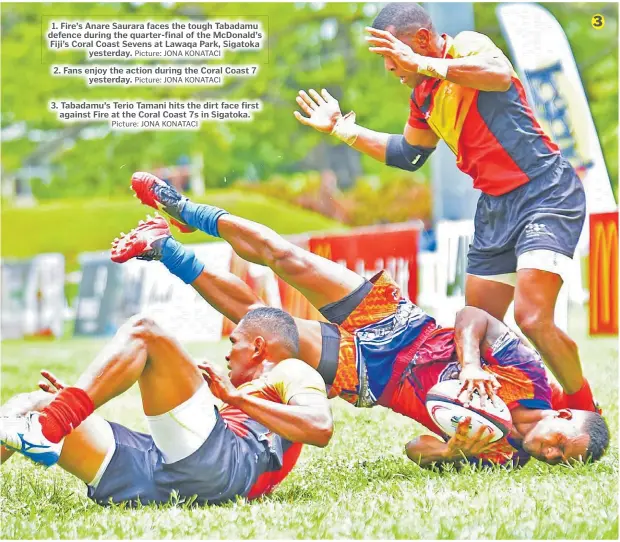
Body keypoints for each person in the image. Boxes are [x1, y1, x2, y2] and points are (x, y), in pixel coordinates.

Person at [113, 172, 608, 467]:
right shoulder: (530, 380)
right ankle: (182, 208)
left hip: (374, 375)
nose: (551, 453)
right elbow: (472, 315)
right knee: (286, 257)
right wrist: (474, 363)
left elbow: (415, 449)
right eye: (564, 444)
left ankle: (162, 246)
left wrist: (455, 453)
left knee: (263, 324)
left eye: (562, 459)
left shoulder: (501, 454)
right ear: (564, 416)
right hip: (400, 324)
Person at [292, 2, 597, 413]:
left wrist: (423, 63)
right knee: (476, 330)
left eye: (393, 55)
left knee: (531, 318)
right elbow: (408, 153)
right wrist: (341, 129)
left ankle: (585, 411)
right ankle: (546, 400)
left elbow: (499, 75)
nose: (391, 68)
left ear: (420, 40)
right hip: (495, 208)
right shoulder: (423, 95)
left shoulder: (467, 47)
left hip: (545, 193)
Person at [0, 306, 333, 506]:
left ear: (259, 348)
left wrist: (235, 398)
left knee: (144, 331)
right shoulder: (250, 393)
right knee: (31, 406)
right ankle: (53, 419)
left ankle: (52, 425)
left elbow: (320, 428)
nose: (228, 354)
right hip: (172, 475)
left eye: (235, 344)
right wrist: (79, 405)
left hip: (223, 466)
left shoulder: (292, 370)